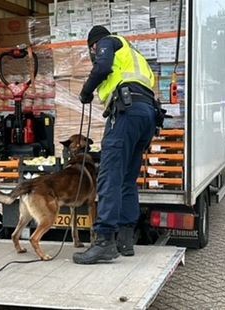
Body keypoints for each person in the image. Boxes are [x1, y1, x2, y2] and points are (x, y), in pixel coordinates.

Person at [73, 25, 158, 264]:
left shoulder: (108, 42)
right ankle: (125, 240)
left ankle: (104, 241)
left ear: (93, 44)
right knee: (127, 179)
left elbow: (102, 67)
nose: (93, 52)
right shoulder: (136, 56)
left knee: (109, 175)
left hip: (126, 113)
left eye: (92, 49)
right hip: (146, 115)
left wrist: (86, 92)